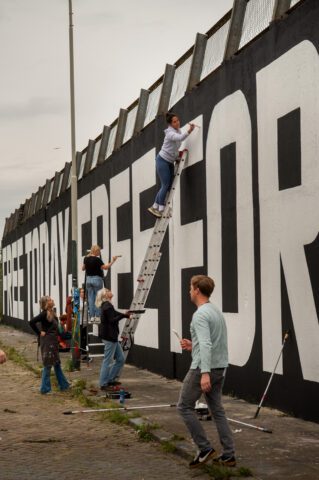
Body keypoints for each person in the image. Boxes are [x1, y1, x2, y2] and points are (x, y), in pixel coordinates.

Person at [177, 275, 236, 469]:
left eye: (190, 288)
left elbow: (207, 344)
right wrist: (192, 345)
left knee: (184, 406)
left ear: (197, 290)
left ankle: (204, 449)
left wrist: (204, 373)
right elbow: (211, 342)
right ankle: (229, 455)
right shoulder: (215, 311)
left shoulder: (200, 314)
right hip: (220, 367)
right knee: (217, 411)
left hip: (204, 368)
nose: (189, 291)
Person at [148, 112, 195, 218]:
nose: (177, 123)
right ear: (170, 124)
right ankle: (160, 208)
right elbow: (180, 139)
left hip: (170, 161)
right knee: (165, 185)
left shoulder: (178, 131)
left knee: (168, 185)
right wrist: (190, 130)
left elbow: (174, 148)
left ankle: (155, 206)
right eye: (174, 122)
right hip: (162, 160)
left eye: (178, 120)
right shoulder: (170, 133)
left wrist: (177, 156)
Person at [30, 296, 70, 395]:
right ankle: (45, 388)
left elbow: (58, 330)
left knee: (56, 363)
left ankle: (64, 385)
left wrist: (68, 336)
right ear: (47, 303)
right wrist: (39, 333)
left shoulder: (52, 313)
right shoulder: (44, 314)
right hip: (47, 342)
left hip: (53, 342)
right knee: (48, 365)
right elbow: (31, 322)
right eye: (50, 300)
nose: (52, 300)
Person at [95, 288, 131, 390]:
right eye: (108, 290)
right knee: (107, 360)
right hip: (109, 336)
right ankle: (103, 383)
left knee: (120, 359)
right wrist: (124, 316)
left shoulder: (107, 305)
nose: (110, 291)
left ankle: (110, 379)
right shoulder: (107, 306)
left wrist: (125, 314)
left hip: (111, 336)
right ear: (105, 295)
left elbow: (115, 313)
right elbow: (112, 319)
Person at [82, 245, 119, 323]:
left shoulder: (86, 259)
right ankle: (98, 317)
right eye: (98, 251)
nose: (99, 252)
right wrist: (113, 260)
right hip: (97, 279)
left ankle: (92, 317)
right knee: (98, 298)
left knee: (91, 299)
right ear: (95, 251)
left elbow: (83, 268)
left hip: (88, 280)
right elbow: (105, 267)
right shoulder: (97, 260)